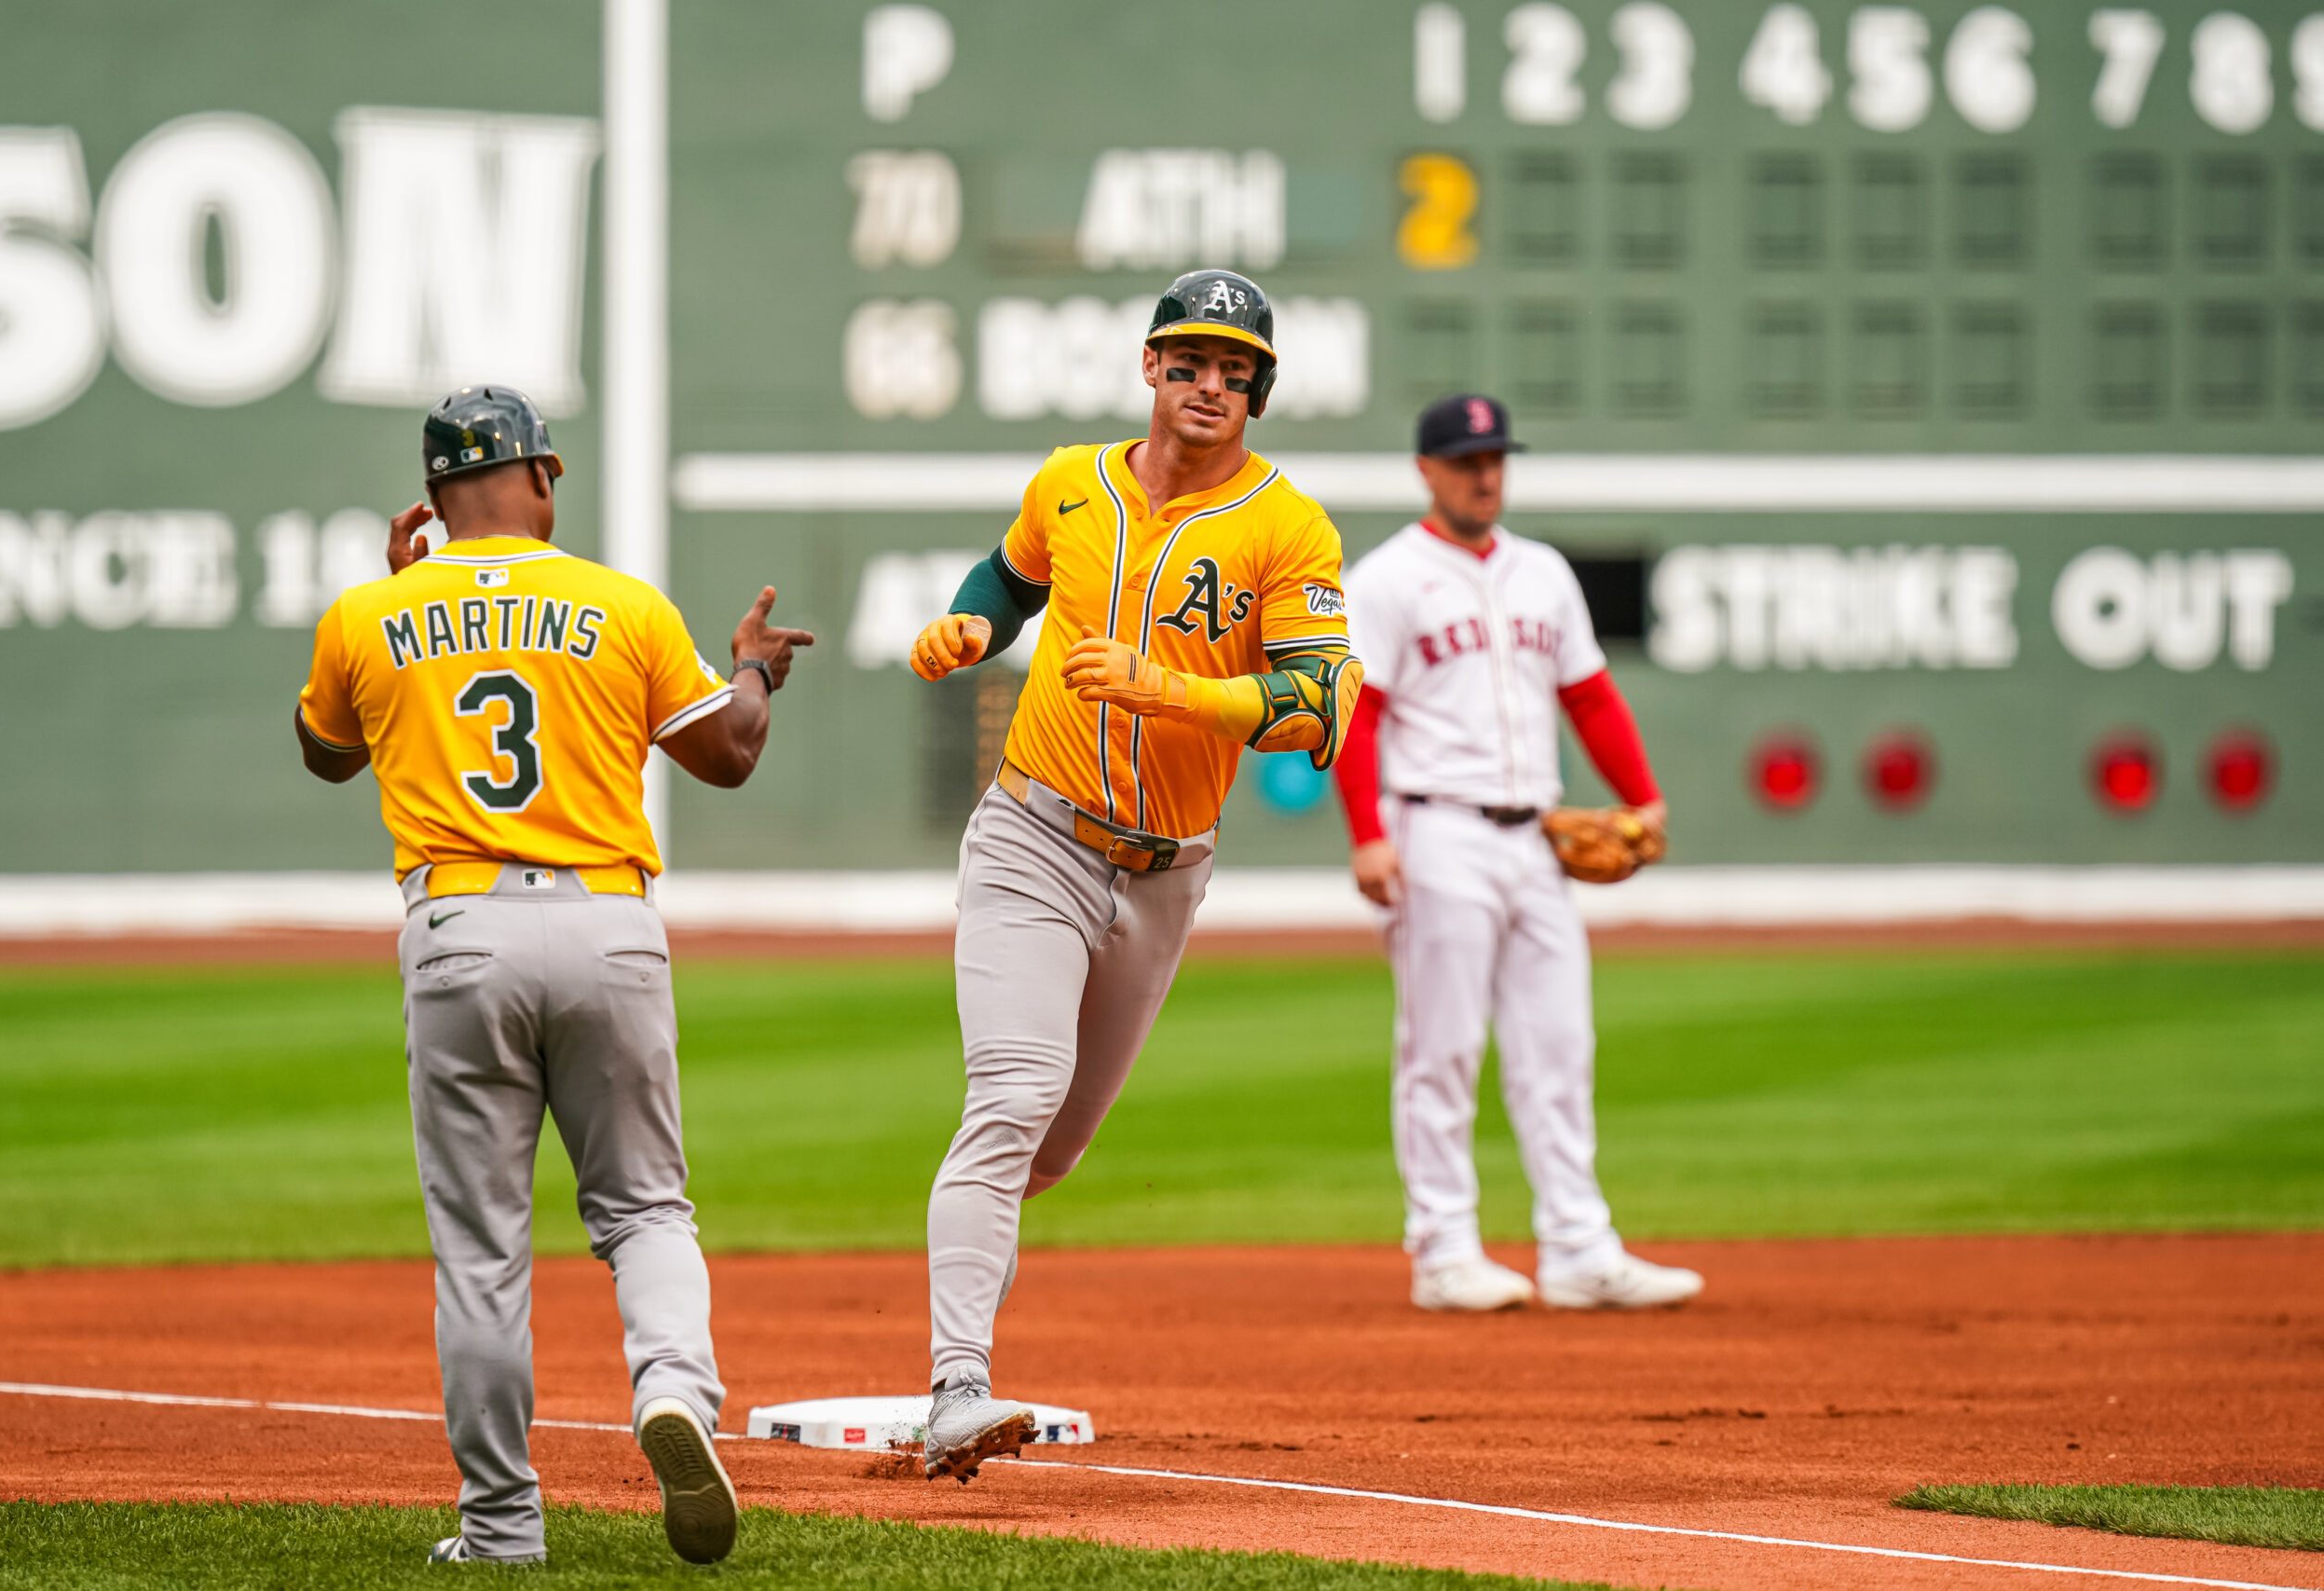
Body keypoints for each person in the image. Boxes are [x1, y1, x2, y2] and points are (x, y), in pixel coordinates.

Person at [294, 385, 813, 1563]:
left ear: (432, 499)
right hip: (607, 927)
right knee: (645, 1210)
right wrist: (752, 673)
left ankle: (501, 1526)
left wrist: (388, 596)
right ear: (535, 481)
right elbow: (724, 755)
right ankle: (672, 1391)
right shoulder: (618, 602)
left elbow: (325, 755)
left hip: (459, 928)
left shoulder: (367, 612)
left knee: (482, 1246)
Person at [906, 269, 1363, 1480]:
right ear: (1150, 367)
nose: (1208, 383)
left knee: (1050, 1148)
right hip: (1033, 833)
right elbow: (1007, 579)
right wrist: (965, 626)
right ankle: (957, 1385)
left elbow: (1320, 703)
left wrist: (1175, 689)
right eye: (1189, 359)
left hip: (1165, 871)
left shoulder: (1289, 526)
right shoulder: (1071, 481)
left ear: (1258, 388)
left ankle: (966, 1354)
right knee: (1013, 1091)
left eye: (1234, 367)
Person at [1332, 393, 1701, 1314]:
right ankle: (1443, 1248)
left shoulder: (1543, 573)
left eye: (1494, 456)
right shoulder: (1386, 579)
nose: (1484, 473)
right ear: (1426, 469)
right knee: (1442, 1049)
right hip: (1434, 830)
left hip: (1536, 838)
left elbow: (1589, 696)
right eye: (1465, 459)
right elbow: (1355, 714)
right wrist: (1368, 835)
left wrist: (1640, 797)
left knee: (1559, 1045)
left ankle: (1580, 1246)